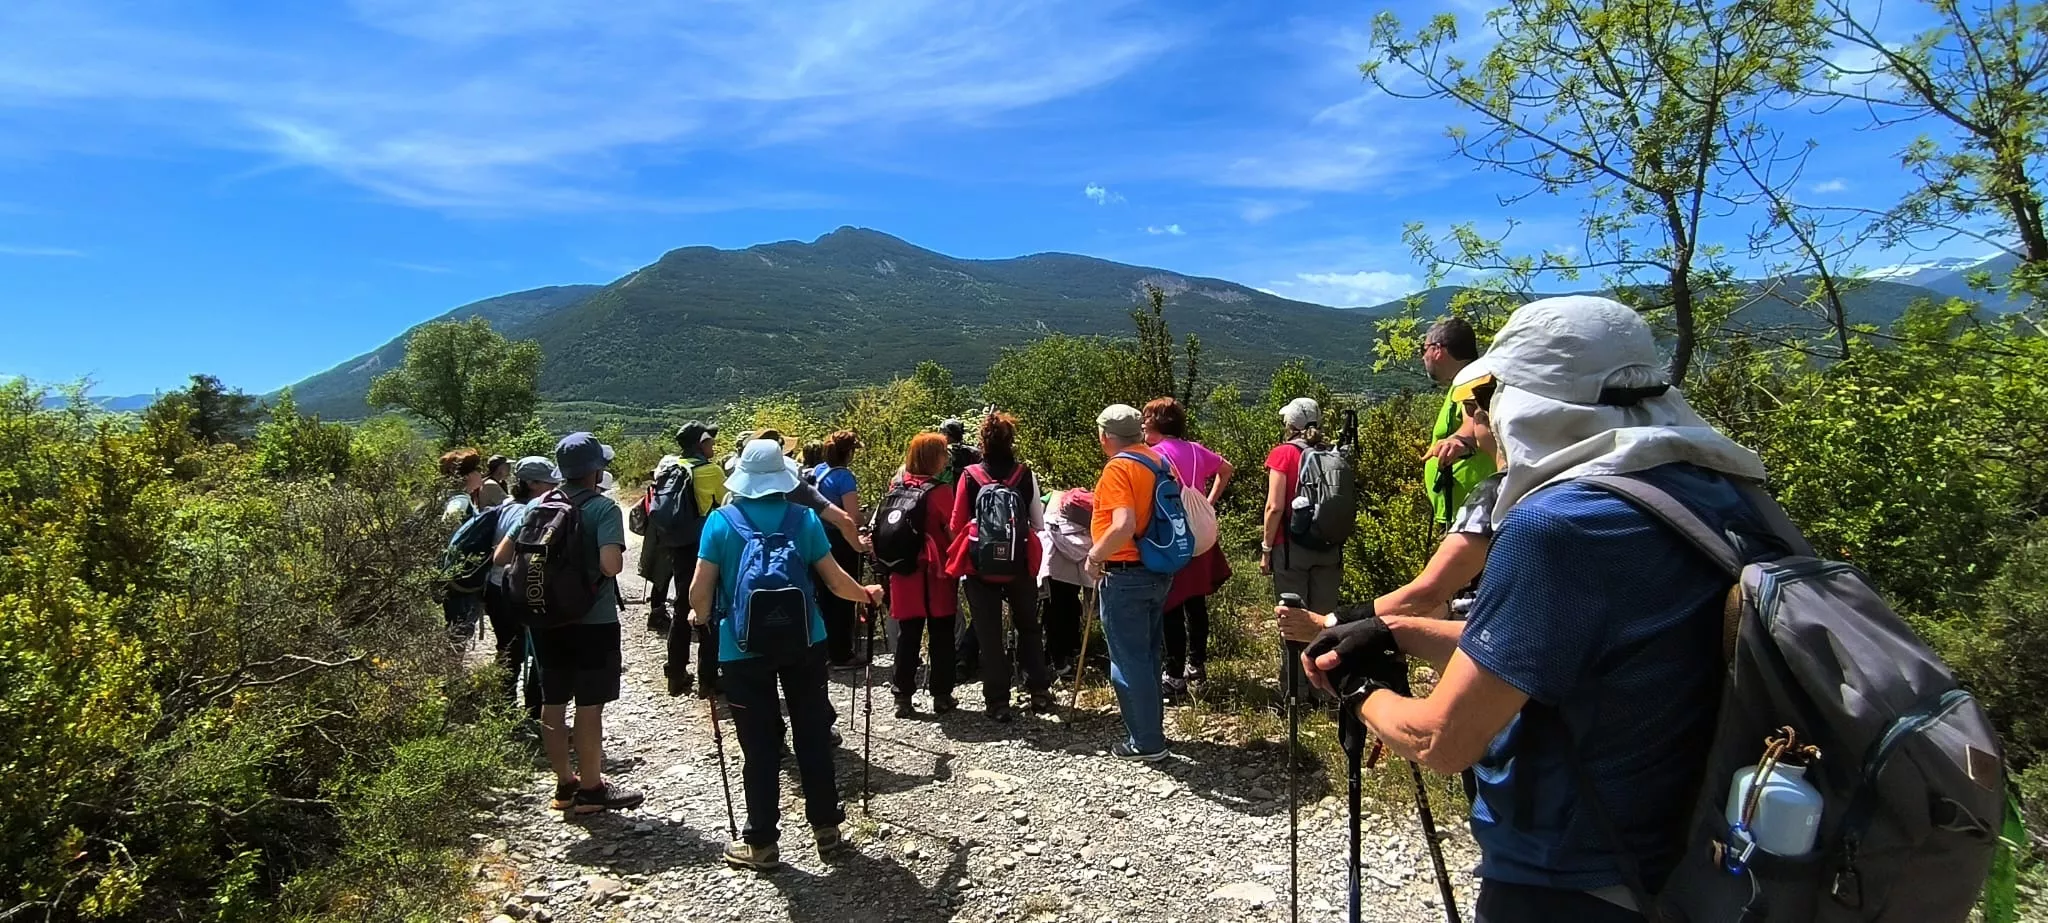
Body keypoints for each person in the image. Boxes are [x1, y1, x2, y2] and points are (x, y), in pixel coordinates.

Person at [1300, 296, 1775, 923]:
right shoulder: (1728, 494)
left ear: (1530, 397)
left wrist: (1357, 688)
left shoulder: (1558, 523)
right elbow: (1563, 651)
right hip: (1702, 845)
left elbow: (1442, 739)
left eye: (1492, 395)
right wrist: (1401, 630)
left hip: (1572, 867)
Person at [688, 439, 883, 871]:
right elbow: (834, 582)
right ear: (783, 477)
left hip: (740, 649)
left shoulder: (720, 521)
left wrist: (698, 617)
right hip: (805, 642)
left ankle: (760, 843)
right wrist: (867, 595)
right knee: (812, 735)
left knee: (759, 748)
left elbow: (700, 593)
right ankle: (827, 829)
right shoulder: (805, 519)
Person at [1278, 366, 1505, 643]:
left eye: (1471, 408)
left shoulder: (1496, 495)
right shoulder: (1550, 483)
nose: (1469, 419)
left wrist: (1331, 623)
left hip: (1497, 651)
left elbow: (1427, 592)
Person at [492, 432, 644, 818]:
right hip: (593, 620)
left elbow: (501, 557)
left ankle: (564, 784)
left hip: (545, 619)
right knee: (590, 706)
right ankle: (593, 789)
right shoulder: (602, 509)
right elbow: (611, 566)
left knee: (553, 702)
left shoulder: (537, 505)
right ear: (596, 470)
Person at [1083, 404, 1174, 761]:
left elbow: (1122, 524)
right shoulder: (1158, 461)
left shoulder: (1119, 467)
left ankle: (1146, 742)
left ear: (1105, 436)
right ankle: (1152, 729)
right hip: (1157, 569)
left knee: (1127, 659)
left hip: (1126, 573)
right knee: (1148, 655)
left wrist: (1094, 557)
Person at [948, 412, 1051, 721]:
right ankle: (1039, 691)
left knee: (988, 632)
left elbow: (956, 524)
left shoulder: (970, 475)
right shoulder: (1024, 474)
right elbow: (1037, 523)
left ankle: (997, 701)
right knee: (1029, 626)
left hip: (980, 566)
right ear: (1011, 441)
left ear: (983, 442)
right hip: (1019, 563)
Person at [1142, 397, 1234, 695]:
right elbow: (1227, 469)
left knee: (1171, 603)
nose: (1143, 423)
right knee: (1195, 601)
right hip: (1201, 535)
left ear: (1158, 423)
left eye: (1147, 418)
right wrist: (1208, 502)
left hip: (1173, 537)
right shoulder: (1195, 450)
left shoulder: (1154, 455)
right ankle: (1197, 665)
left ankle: (1174, 674)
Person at [1261, 397, 1339, 703]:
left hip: (1292, 549)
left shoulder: (1283, 454)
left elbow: (1274, 506)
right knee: (1323, 621)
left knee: (1293, 622)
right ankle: (1325, 691)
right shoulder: (1331, 452)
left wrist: (1267, 548)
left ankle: (1294, 693)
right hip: (1330, 549)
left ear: (1291, 425)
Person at [643, 421, 723, 691]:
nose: (713, 444)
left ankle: (675, 674)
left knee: (681, 606)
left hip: (677, 545)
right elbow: (727, 507)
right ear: (700, 444)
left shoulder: (671, 468)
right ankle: (708, 679)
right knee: (708, 606)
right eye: (709, 441)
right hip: (705, 546)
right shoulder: (710, 471)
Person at [886, 433, 960, 718]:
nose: (946, 458)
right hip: (935, 573)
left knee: (908, 634)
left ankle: (902, 697)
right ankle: (941, 695)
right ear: (933, 458)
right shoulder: (940, 491)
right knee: (941, 633)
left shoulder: (896, 486)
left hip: (903, 573)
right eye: (942, 453)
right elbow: (952, 531)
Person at [482, 456, 558, 715]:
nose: (554, 488)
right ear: (532, 484)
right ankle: (534, 714)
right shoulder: (535, 511)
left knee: (507, 647)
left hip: (494, 588)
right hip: (520, 590)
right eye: (550, 483)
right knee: (538, 652)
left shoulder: (504, 506)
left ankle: (502, 709)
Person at [1421, 316, 1498, 525]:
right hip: (1468, 508)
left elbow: (1475, 420)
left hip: (1474, 512)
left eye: (1424, 348)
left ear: (1437, 350)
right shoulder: (1467, 380)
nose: (1422, 357)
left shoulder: (1472, 381)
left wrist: (1459, 442)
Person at [811, 431, 866, 665]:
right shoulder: (844, 477)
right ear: (849, 453)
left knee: (822, 594)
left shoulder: (819, 470)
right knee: (843, 594)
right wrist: (865, 520)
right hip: (841, 540)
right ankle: (842, 653)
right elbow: (851, 516)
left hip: (817, 538)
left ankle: (822, 651)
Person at [1037, 488, 1095, 679]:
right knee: (1071, 606)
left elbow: (1036, 516)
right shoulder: (1090, 528)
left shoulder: (1053, 499)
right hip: (1075, 570)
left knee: (1053, 613)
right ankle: (1072, 651)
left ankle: (1056, 659)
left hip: (1055, 565)